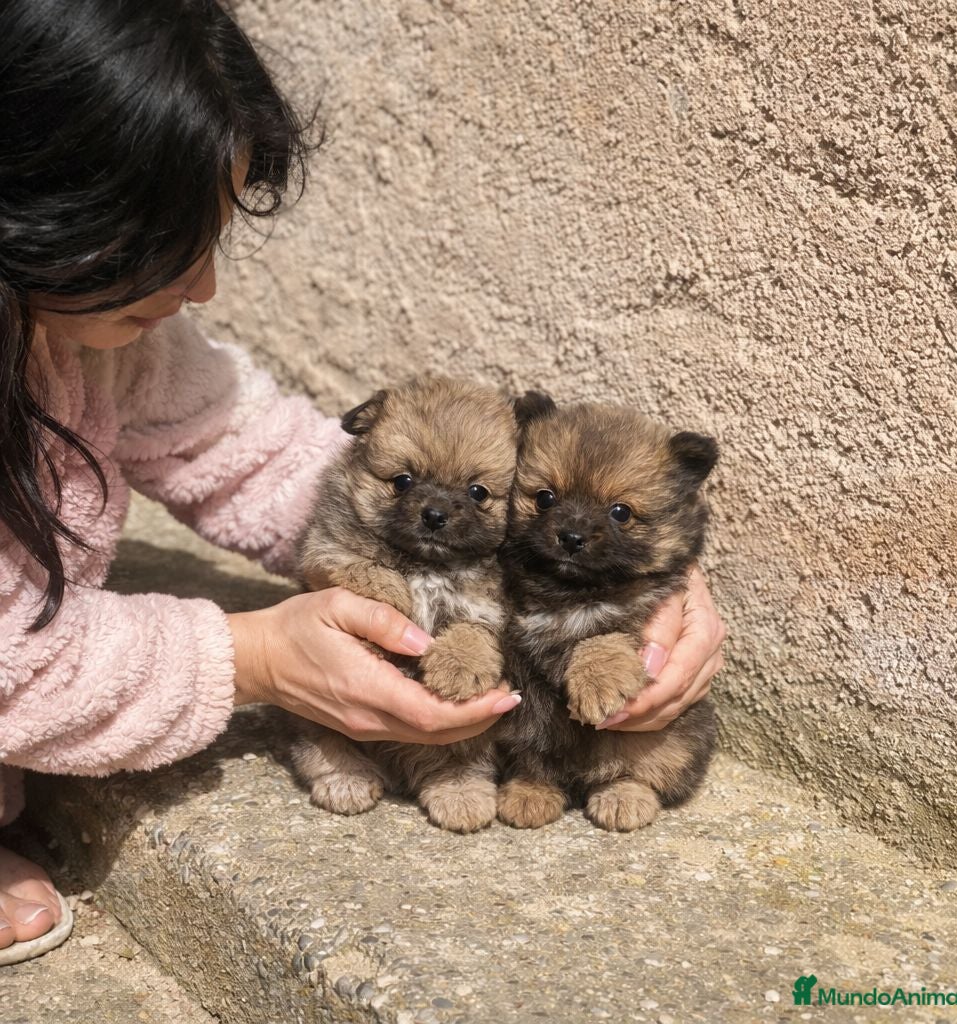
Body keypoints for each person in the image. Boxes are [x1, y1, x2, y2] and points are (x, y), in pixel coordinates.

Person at [0, 0, 727, 966]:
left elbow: (259, 454)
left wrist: (639, 589)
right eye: (164, 244)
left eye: (211, 241)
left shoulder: (88, 339)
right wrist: (251, 658)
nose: (206, 287)